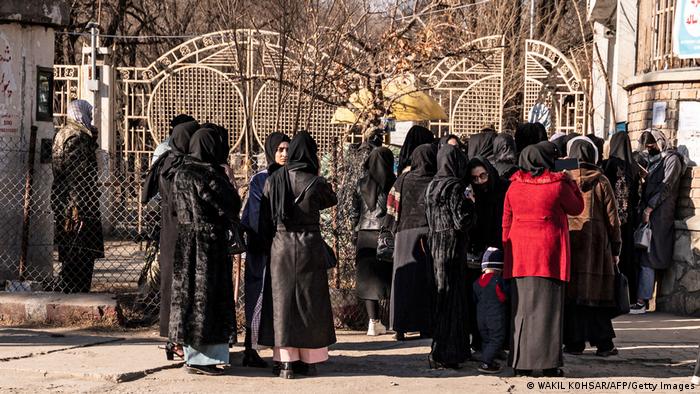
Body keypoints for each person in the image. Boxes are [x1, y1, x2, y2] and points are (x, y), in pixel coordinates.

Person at [259, 131, 337, 379]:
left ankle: (285, 363)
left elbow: (265, 215)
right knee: (309, 303)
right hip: (309, 247)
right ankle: (308, 360)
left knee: (281, 303)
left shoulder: (274, 179)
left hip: (280, 246)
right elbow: (330, 200)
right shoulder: (315, 182)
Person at [503, 142, 584, 377]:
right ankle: (548, 364)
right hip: (549, 253)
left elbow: (506, 222)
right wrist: (571, 180)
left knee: (521, 310)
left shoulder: (513, 187)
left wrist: (509, 254)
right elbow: (577, 208)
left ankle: (520, 364)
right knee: (549, 311)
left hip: (520, 253)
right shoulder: (557, 185)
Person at [169, 127, 241, 375]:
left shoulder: (180, 172)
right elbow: (231, 204)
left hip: (186, 241)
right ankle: (203, 359)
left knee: (188, 299)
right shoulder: (207, 174)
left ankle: (191, 353)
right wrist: (227, 179)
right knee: (207, 301)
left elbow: (173, 209)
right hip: (208, 245)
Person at [141, 119, 201, 357]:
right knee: (185, 285)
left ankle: (171, 338)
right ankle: (180, 341)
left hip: (167, 229)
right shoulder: (185, 166)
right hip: (183, 228)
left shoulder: (165, 163)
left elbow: (150, 196)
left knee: (169, 285)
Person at [563, 137, 621, 357]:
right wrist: (616, 249)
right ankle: (604, 344)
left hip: (570, 240)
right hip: (596, 247)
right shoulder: (601, 180)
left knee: (573, 297)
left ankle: (573, 344)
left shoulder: (563, 178)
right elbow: (612, 218)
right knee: (596, 299)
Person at [240, 132, 290, 368]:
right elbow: (255, 214)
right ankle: (250, 348)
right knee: (257, 294)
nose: (284, 154)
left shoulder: (291, 175)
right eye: (279, 150)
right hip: (261, 247)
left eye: (287, 149)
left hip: (283, 247)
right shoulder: (261, 179)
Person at [425, 145, 476, 369]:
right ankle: (450, 352)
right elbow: (461, 220)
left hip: (434, 242)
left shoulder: (432, 185)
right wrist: (472, 204)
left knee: (440, 298)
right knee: (453, 300)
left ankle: (437, 351)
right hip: (452, 246)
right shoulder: (455, 186)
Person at [385, 144, 438, 341]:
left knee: (403, 281)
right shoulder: (435, 181)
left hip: (404, 235)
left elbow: (391, 207)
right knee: (426, 282)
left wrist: (392, 229)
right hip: (429, 235)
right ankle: (425, 325)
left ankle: (400, 326)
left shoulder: (402, 180)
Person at [51, 100, 105, 294]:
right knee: (80, 249)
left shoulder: (64, 132)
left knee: (70, 247)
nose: (90, 117)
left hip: (64, 200)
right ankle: (77, 288)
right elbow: (77, 177)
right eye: (88, 113)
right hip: (78, 204)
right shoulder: (77, 137)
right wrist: (78, 209)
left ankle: (71, 285)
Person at [631, 130, 685, 314]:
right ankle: (642, 300)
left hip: (659, 214)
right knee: (645, 254)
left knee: (650, 256)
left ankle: (642, 301)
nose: (649, 149)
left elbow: (666, 186)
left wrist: (650, 208)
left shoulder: (672, 160)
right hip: (650, 213)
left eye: (652, 146)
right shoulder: (656, 160)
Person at [465, 156, 510, 352]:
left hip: (501, 252)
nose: (480, 181)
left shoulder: (504, 189)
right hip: (479, 256)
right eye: (475, 178)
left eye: (483, 176)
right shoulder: (472, 195)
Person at [352, 147, 396, 336]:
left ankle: (373, 322)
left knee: (369, 279)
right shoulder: (393, 183)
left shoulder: (360, 184)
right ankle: (394, 321)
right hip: (386, 234)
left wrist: (354, 232)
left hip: (364, 234)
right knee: (391, 277)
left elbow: (355, 212)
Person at [603, 132, 641, 301]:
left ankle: (612, 296)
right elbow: (637, 195)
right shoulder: (634, 167)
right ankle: (629, 297)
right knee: (628, 258)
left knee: (613, 256)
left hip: (612, 220)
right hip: (630, 219)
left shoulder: (609, 165)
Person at [473, 247, 508, 374]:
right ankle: (486, 363)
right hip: (495, 316)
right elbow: (504, 296)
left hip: (480, 317)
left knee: (486, 340)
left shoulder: (476, 282)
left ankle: (489, 359)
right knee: (496, 339)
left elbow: (475, 299)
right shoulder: (499, 281)